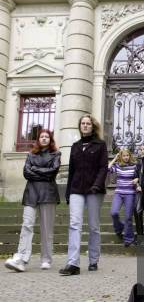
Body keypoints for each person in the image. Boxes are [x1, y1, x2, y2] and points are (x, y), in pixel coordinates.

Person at [4, 129, 61, 272]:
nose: (44, 139)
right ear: (38, 139)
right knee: (27, 225)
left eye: (46, 137)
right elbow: (26, 172)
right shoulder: (30, 154)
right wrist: (42, 171)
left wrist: (35, 169)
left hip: (48, 194)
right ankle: (21, 259)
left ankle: (46, 259)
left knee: (46, 229)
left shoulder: (56, 154)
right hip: (31, 193)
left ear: (50, 139)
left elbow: (52, 172)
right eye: (41, 136)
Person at [59, 115, 108, 276]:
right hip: (76, 189)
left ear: (92, 126)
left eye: (88, 123)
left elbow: (103, 168)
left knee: (94, 226)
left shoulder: (100, 145)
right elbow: (72, 171)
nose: (85, 126)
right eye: (83, 123)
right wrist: (68, 192)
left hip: (94, 190)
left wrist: (97, 185)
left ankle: (93, 259)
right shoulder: (75, 146)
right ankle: (73, 263)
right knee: (74, 224)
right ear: (80, 126)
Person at [108, 148, 138, 247]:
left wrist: (137, 179)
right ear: (121, 156)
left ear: (130, 156)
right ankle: (119, 229)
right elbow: (107, 168)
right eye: (124, 156)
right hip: (119, 193)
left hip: (130, 193)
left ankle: (128, 239)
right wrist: (115, 158)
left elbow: (139, 176)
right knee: (114, 212)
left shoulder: (134, 166)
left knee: (128, 217)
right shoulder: (118, 166)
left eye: (127, 155)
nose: (126, 157)